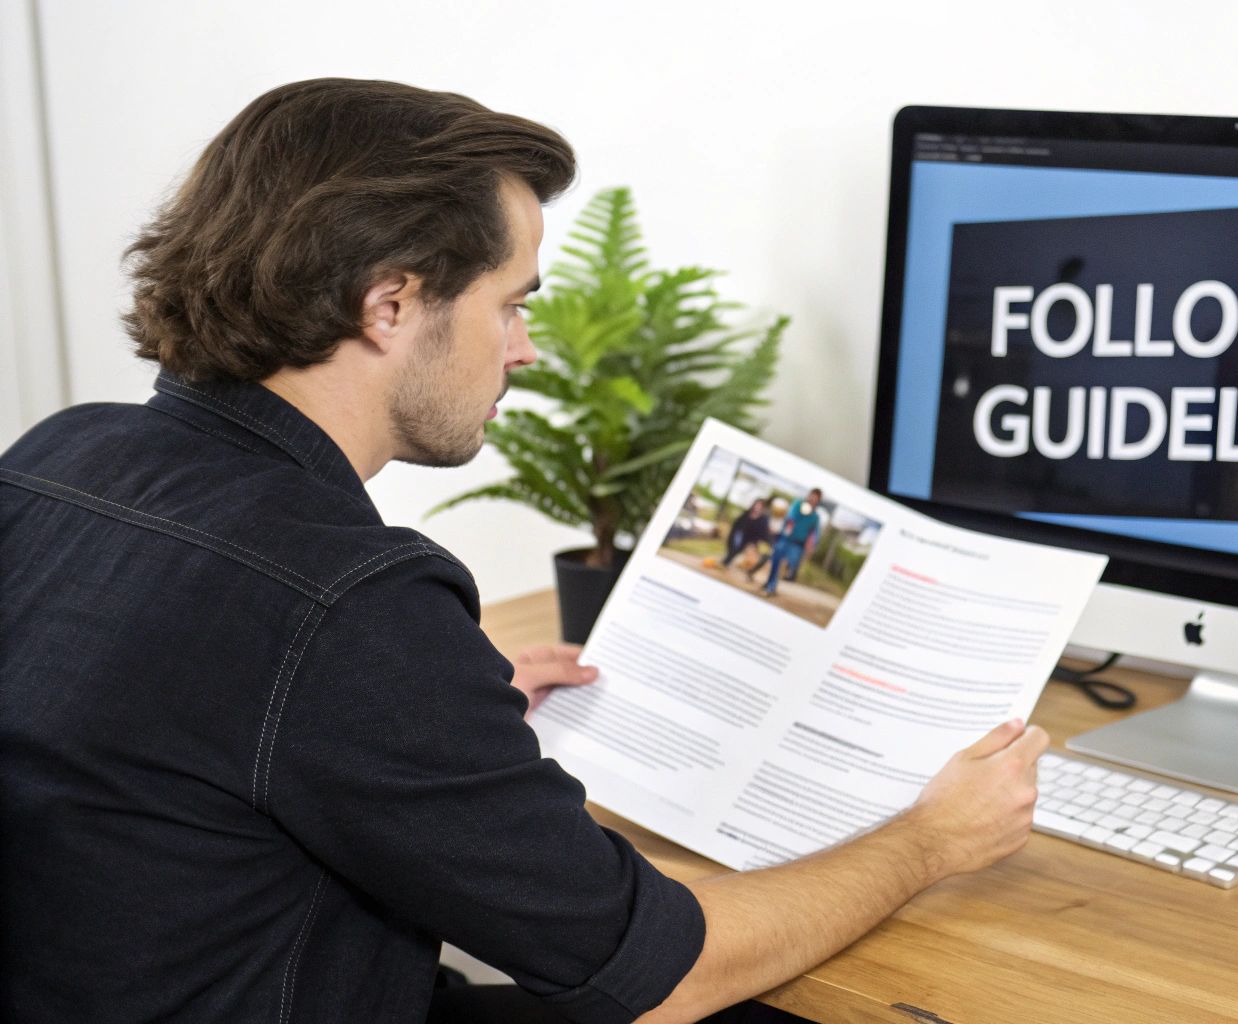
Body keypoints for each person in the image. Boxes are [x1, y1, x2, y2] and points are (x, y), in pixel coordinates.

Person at [0, 79, 1046, 1024]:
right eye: (511, 304)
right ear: (391, 301)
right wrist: (931, 840)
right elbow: (661, 973)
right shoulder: (348, 606)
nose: (526, 348)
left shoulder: (56, 456)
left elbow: (183, 718)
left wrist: (434, 705)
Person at [761, 489, 822, 597]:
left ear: (818, 501)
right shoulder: (797, 505)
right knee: (776, 561)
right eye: (812, 496)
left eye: (815, 498)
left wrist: (811, 545)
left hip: (797, 545)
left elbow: (815, 533)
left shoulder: (815, 517)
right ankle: (770, 585)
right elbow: (790, 517)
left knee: (785, 565)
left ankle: (771, 585)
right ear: (808, 496)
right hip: (785, 538)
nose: (813, 499)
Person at [719, 498, 773, 571]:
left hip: (750, 538)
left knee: (738, 550)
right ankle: (725, 562)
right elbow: (737, 523)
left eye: (760, 505)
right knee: (734, 548)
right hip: (739, 533)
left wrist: (766, 542)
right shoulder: (747, 513)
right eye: (757, 504)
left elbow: (763, 532)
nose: (758, 507)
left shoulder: (763, 519)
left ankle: (726, 562)